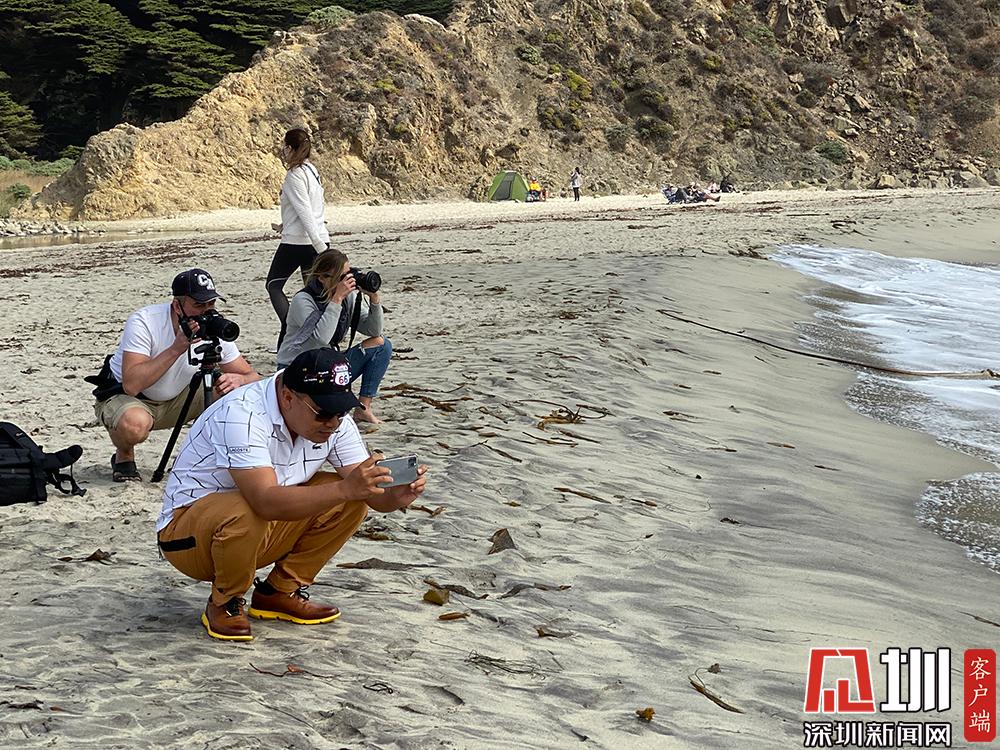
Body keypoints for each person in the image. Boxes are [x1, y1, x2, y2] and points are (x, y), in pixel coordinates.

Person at [156, 348, 428, 642]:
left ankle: (278, 593)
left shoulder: (335, 423)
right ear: (287, 397)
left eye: (341, 411)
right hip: (187, 538)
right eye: (324, 412)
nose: (333, 422)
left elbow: (369, 495)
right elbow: (264, 501)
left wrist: (394, 497)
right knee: (255, 507)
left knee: (351, 500)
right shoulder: (241, 414)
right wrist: (345, 489)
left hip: (256, 531)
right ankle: (225, 601)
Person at [91, 269, 259, 482]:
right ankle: (124, 454)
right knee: (134, 425)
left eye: (211, 304)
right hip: (131, 398)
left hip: (179, 397)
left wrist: (240, 380)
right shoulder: (145, 321)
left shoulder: (212, 328)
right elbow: (131, 384)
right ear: (177, 306)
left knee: (234, 393)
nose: (206, 312)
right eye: (199, 305)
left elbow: (254, 378)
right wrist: (176, 348)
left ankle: (205, 457)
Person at [276, 249, 391, 424]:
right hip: (297, 369)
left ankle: (364, 409)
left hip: (327, 364)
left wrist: (374, 299)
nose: (346, 281)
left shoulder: (347, 298)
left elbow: (373, 330)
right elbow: (320, 339)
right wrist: (336, 299)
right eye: (341, 277)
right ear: (322, 277)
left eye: (349, 274)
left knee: (381, 345)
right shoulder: (304, 300)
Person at [266, 128, 330, 350]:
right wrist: (285, 224)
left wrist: (321, 249)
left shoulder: (294, 175)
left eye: (284, 146)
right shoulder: (312, 170)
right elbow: (311, 207)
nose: (283, 151)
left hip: (299, 243)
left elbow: (304, 211)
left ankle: (291, 329)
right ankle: (313, 339)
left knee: (273, 285)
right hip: (316, 237)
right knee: (312, 293)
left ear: (290, 148)